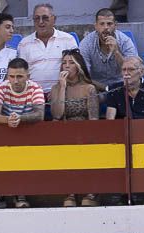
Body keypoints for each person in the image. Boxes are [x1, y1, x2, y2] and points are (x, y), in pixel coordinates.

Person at [0, 58, 43, 210]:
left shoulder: (35, 88)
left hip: (27, 133)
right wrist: (8, 120)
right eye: (11, 76)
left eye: (19, 76)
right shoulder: (1, 87)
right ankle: (3, 193)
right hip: (4, 132)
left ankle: (17, 194)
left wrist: (19, 118)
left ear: (28, 76)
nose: (15, 81)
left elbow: (40, 114)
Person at [51, 49, 98, 208]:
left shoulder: (89, 88)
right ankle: (69, 192)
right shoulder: (55, 89)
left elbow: (94, 118)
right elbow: (57, 114)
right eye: (64, 63)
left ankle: (89, 192)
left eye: (71, 62)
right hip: (64, 132)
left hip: (85, 131)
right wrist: (62, 88)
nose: (67, 66)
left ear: (78, 66)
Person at [16, 3, 79, 95]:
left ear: (54, 19)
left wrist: (58, 90)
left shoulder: (68, 40)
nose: (40, 22)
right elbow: (21, 73)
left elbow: (76, 69)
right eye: (37, 18)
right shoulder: (24, 44)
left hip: (63, 93)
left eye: (45, 18)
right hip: (32, 95)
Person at [78, 9, 137, 92]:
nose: (106, 27)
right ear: (96, 26)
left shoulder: (125, 41)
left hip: (123, 86)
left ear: (115, 25)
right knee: (87, 92)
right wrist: (105, 88)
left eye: (109, 24)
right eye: (102, 24)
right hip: (96, 87)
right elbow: (83, 75)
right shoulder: (86, 43)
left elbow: (133, 71)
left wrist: (116, 52)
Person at [104, 56, 144, 120]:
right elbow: (110, 119)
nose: (126, 73)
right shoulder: (114, 89)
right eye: (124, 69)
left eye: (131, 69)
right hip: (121, 128)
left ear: (141, 72)